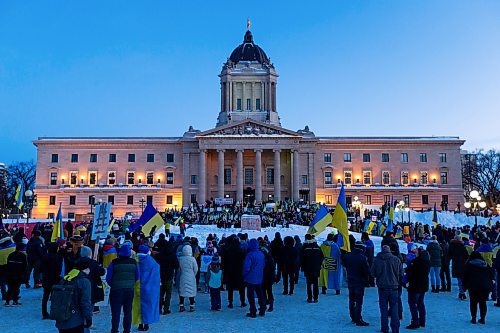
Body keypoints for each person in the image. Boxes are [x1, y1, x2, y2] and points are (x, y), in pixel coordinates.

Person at [106, 245, 140, 333]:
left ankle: (114, 330)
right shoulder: (133, 262)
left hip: (116, 290)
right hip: (129, 290)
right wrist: (131, 283)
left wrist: (113, 285)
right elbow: (137, 276)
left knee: (115, 313)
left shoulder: (113, 262)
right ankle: (127, 330)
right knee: (128, 312)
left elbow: (108, 278)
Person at [371, 245, 403, 333]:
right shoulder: (396, 260)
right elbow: (401, 273)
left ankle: (384, 328)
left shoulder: (377, 260)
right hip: (394, 287)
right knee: (394, 308)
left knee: (383, 309)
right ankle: (395, 329)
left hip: (382, 288)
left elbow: (372, 273)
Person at [55, 259, 93, 333]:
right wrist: (88, 318)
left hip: (61, 320)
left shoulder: (65, 279)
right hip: (76, 321)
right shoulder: (84, 281)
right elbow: (85, 303)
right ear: (85, 269)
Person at [133, 245, 160, 332]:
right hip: (149, 287)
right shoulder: (152, 262)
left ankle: (140, 324)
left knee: (137, 306)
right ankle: (146, 324)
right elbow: (156, 273)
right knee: (148, 306)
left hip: (136, 287)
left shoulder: (133, 260)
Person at [462, 251, 494, 324]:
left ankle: (473, 318)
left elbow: (464, 276)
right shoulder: (485, 264)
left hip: (473, 286)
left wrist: (464, 287)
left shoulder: (469, 265)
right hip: (484, 286)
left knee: (473, 302)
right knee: (483, 302)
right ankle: (483, 318)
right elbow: (491, 275)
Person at [343, 241, 370, 326]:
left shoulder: (347, 256)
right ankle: (358, 318)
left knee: (351, 299)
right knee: (358, 301)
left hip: (350, 280)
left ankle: (353, 316)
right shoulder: (362, 258)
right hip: (359, 281)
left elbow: (344, 264)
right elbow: (366, 271)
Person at [405, 246, 431, 329]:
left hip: (415, 286)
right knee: (420, 303)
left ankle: (415, 321)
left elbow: (410, 272)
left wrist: (405, 281)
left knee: (412, 303)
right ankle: (422, 321)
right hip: (423, 285)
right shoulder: (427, 262)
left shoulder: (416, 262)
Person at [243, 238, 266, 318]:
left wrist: (244, 275)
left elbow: (246, 267)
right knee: (260, 294)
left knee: (250, 295)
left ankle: (253, 311)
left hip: (250, 278)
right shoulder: (261, 254)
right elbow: (263, 265)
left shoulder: (249, 255)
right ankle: (262, 309)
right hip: (259, 277)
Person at [79, 246, 105, 313]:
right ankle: (88, 321)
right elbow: (102, 272)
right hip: (92, 287)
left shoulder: (76, 262)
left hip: (79, 287)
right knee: (89, 305)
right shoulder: (93, 263)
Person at [222, 236, 246, 308]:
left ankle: (230, 303)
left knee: (230, 288)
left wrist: (225, 271)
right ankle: (242, 302)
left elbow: (224, 262)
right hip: (239, 271)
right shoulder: (241, 250)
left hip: (230, 271)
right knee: (241, 288)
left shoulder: (227, 250)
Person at [157, 237, 178, 314]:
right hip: (169, 275)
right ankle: (166, 309)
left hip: (161, 275)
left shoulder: (161, 254)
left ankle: (159, 308)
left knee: (161, 292)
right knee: (168, 293)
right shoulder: (172, 255)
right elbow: (176, 265)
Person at [41, 242, 62, 319]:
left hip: (46, 278)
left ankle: (44, 313)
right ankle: (53, 312)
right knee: (54, 297)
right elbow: (58, 269)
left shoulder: (45, 256)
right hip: (54, 279)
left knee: (45, 297)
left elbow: (41, 268)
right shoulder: (56, 257)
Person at [301, 234, 323, 303]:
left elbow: (302, 259)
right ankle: (316, 297)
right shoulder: (318, 247)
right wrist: (319, 265)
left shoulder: (305, 248)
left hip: (308, 268)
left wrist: (303, 267)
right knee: (316, 283)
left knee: (308, 283)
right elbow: (322, 257)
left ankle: (310, 298)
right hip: (316, 268)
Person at [178, 244, 198, 312]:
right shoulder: (192, 259)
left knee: (182, 291)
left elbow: (179, 268)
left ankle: (181, 306)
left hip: (183, 276)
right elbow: (196, 269)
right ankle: (191, 306)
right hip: (191, 276)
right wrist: (193, 274)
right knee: (191, 291)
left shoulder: (180, 259)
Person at [449, 235, 469, 300]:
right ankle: (462, 292)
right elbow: (466, 255)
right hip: (462, 264)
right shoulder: (462, 246)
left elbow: (449, 254)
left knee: (459, 279)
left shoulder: (451, 245)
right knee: (463, 278)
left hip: (455, 264)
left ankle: (461, 292)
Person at [260, 244, 275, 311]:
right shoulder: (270, 259)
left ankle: (265, 303)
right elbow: (273, 269)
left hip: (263, 277)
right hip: (269, 277)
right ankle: (270, 305)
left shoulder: (261, 259)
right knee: (269, 291)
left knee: (263, 291)